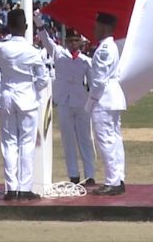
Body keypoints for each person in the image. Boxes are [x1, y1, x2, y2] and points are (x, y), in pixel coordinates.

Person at [0, 9, 50, 201]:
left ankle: (11, 188)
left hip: (8, 96)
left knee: (9, 143)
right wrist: (33, 87)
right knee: (26, 143)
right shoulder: (33, 52)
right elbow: (43, 79)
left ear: (9, 27)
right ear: (26, 27)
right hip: (27, 96)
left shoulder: (1, 48)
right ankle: (25, 188)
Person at [35, 14, 96, 186]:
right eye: (70, 41)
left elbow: (92, 84)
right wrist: (39, 23)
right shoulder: (59, 54)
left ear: (80, 43)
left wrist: (92, 103)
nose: (72, 44)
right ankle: (73, 175)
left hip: (81, 102)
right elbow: (46, 40)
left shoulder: (86, 61)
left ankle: (90, 174)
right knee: (68, 140)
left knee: (85, 139)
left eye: (75, 41)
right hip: (64, 101)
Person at [87, 12, 127, 196]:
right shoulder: (111, 46)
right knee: (114, 139)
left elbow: (98, 82)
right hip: (112, 97)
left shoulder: (104, 49)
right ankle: (118, 178)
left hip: (104, 98)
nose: (94, 30)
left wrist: (91, 102)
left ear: (103, 27)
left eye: (96, 26)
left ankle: (112, 181)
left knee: (106, 140)